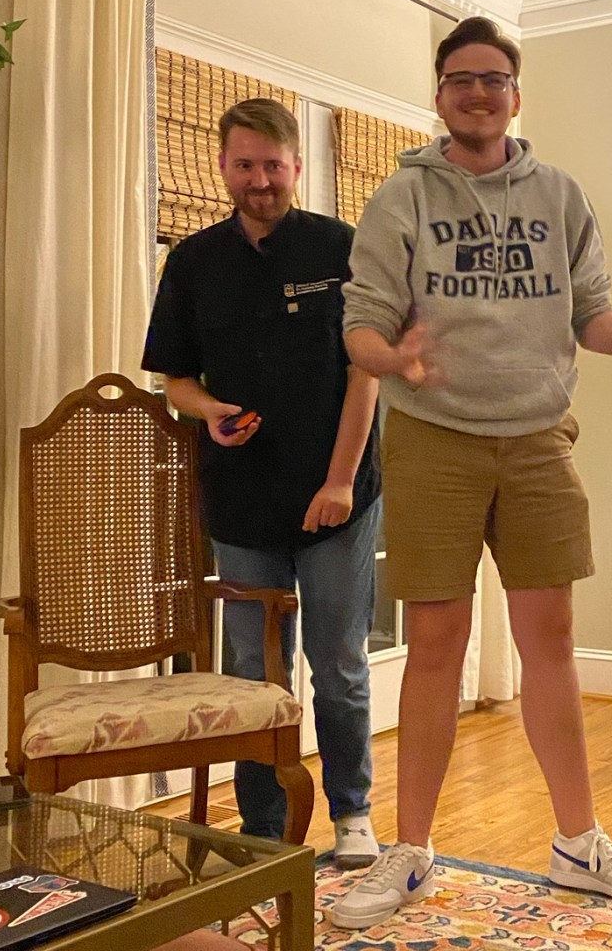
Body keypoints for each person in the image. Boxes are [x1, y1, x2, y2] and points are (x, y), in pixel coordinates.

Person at [330, 16, 612, 929]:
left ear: (515, 95)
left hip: (536, 439)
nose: (477, 92)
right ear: (440, 94)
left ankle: (578, 844)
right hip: (433, 440)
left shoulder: (560, 195)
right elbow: (360, 327)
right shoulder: (399, 198)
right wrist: (395, 358)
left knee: (551, 644)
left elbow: (591, 319)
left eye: (493, 78)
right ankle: (409, 851)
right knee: (437, 644)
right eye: (460, 79)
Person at [142, 97, 382, 869]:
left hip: (337, 497)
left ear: (296, 167)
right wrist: (209, 411)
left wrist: (340, 481)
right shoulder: (192, 262)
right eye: (244, 165)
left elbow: (365, 378)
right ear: (222, 166)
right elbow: (176, 380)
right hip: (243, 503)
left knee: (338, 668)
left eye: (273, 166)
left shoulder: (342, 249)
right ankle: (262, 828)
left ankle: (351, 813)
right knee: (251, 671)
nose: (259, 181)